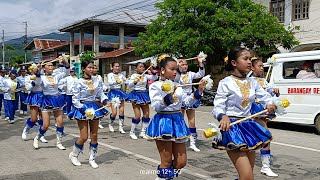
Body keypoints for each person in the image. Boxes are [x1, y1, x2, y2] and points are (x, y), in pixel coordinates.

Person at [212, 47, 275, 180]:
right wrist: (222, 116)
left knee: (247, 176)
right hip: (233, 127)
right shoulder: (226, 83)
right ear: (234, 62)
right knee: (247, 176)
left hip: (248, 127)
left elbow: (265, 97)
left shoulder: (253, 82)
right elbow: (218, 105)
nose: (249, 62)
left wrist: (270, 104)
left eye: (250, 59)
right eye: (245, 59)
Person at [146, 55, 205, 179]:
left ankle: (163, 176)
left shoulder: (178, 86)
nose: (175, 72)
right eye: (172, 69)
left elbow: (187, 103)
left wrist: (198, 92)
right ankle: (165, 175)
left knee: (181, 162)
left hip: (178, 121)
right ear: (162, 70)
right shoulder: (155, 86)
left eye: (176, 69)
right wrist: (168, 98)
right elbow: (156, 106)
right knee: (166, 161)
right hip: (163, 122)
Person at [68, 59, 109, 169]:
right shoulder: (78, 82)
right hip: (82, 108)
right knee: (84, 136)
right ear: (83, 69)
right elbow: (75, 100)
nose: (92, 69)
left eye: (93, 67)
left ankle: (92, 158)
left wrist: (106, 101)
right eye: (89, 67)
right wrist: (83, 109)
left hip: (95, 107)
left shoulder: (97, 80)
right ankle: (74, 155)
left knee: (94, 135)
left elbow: (100, 93)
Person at [250, 57, 279, 177]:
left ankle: (265, 166)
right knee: (263, 136)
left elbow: (268, 94)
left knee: (263, 137)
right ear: (252, 67)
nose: (262, 68)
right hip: (252, 113)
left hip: (262, 112)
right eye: (259, 66)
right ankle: (262, 167)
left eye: (263, 66)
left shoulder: (263, 81)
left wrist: (274, 91)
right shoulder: (249, 80)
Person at [32, 60, 69, 150]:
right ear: (44, 68)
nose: (51, 67)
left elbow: (66, 72)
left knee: (60, 122)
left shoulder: (56, 76)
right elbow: (36, 83)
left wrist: (65, 62)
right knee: (46, 125)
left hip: (56, 99)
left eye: (52, 65)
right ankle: (37, 137)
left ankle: (59, 142)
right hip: (47, 100)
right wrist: (37, 71)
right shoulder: (42, 77)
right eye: (48, 66)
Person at [175, 57, 205, 152]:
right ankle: (179, 139)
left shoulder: (190, 74)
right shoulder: (176, 75)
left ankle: (193, 143)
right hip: (180, 99)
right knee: (180, 120)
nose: (184, 66)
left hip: (190, 99)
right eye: (182, 64)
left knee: (192, 121)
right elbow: (175, 79)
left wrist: (200, 63)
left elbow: (201, 74)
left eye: (185, 64)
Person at [126, 62, 158, 140]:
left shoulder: (146, 75)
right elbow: (129, 85)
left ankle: (143, 132)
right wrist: (134, 82)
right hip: (136, 95)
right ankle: (132, 132)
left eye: (143, 67)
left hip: (144, 95)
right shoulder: (134, 76)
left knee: (146, 114)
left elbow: (155, 77)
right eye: (140, 67)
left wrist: (151, 70)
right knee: (137, 116)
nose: (142, 68)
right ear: (136, 68)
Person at [22, 64, 48, 143]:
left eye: (36, 68)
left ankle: (41, 135)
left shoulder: (42, 76)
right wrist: (34, 81)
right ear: (30, 70)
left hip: (42, 95)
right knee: (34, 119)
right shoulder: (27, 78)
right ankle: (26, 129)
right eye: (33, 68)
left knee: (43, 118)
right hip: (34, 96)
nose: (35, 70)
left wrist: (38, 76)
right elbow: (28, 88)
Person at [107, 62, 128, 133]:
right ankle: (110, 123)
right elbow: (110, 82)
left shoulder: (121, 75)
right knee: (114, 112)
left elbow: (126, 81)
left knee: (121, 111)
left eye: (118, 66)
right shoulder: (110, 75)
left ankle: (120, 127)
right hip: (113, 93)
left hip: (120, 92)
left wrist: (133, 79)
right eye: (116, 66)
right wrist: (117, 81)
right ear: (112, 67)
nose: (117, 68)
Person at [92, 65, 108, 129]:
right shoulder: (89, 78)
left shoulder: (99, 77)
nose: (95, 70)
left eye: (96, 68)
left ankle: (99, 122)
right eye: (93, 68)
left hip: (99, 95)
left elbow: (102, 84)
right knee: (94, 110)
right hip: (92, 96)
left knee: (101, 109)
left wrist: (105, 88)